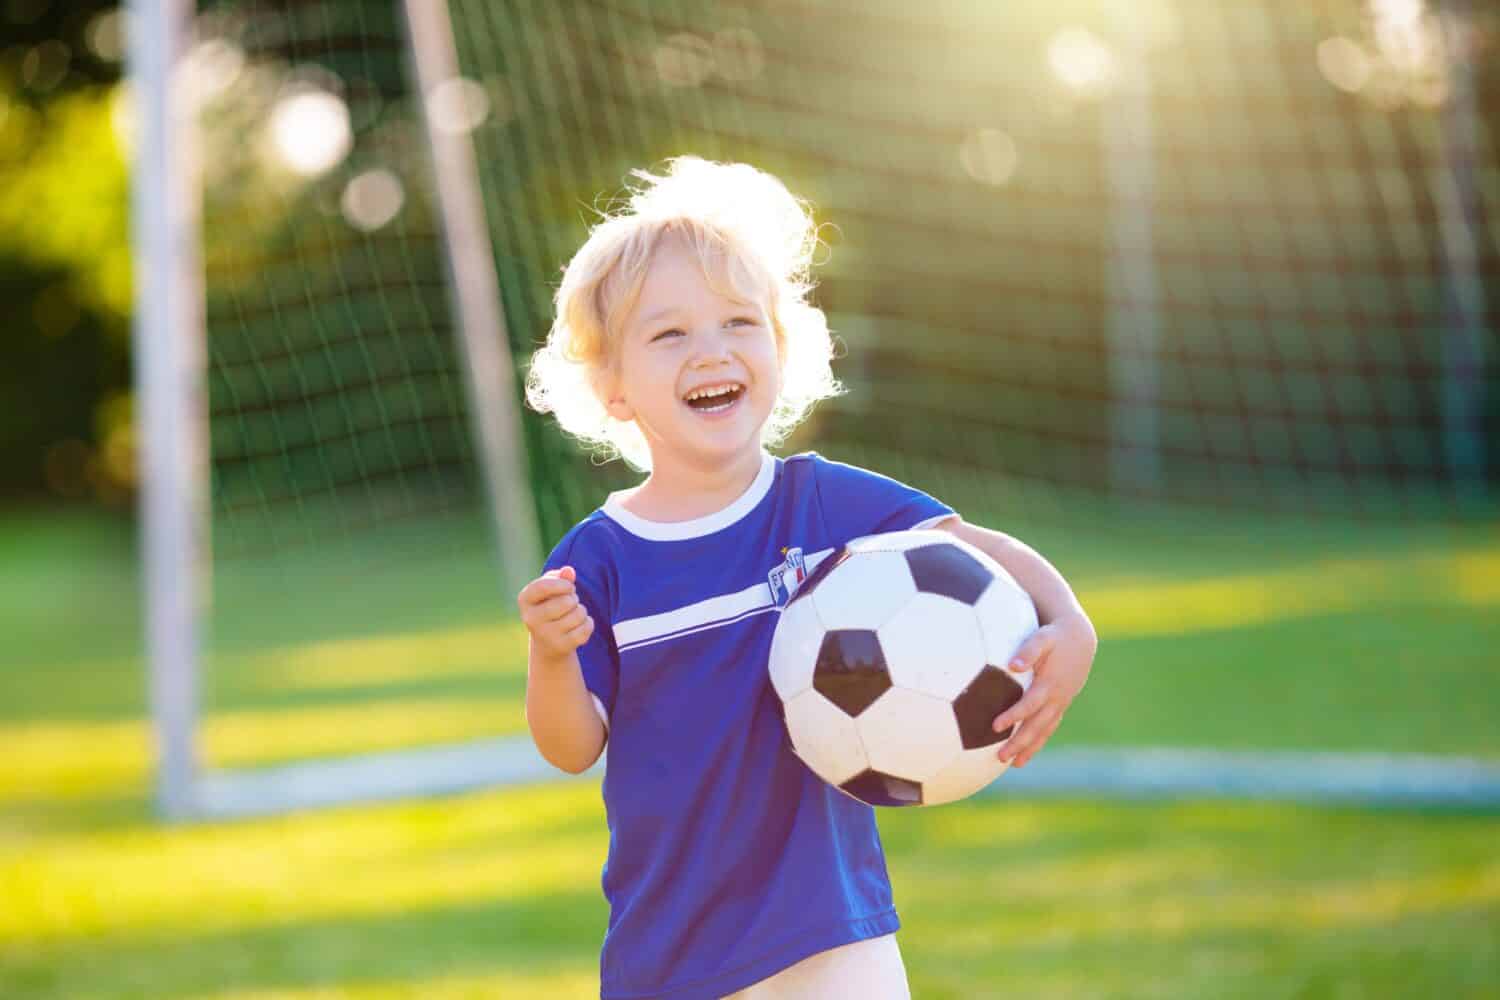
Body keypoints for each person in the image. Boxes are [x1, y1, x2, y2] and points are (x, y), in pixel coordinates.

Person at [518, 157, 1098, 1000]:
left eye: (738, 323)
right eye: (668, 334)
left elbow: (974, 548)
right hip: (669, 951)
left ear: (781, 349)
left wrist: (1069, 622)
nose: (710, 351)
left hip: (832, 935)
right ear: (611, 386)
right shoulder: (599, 558)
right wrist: (550, 655)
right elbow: (570, 749)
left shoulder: (822, 501)